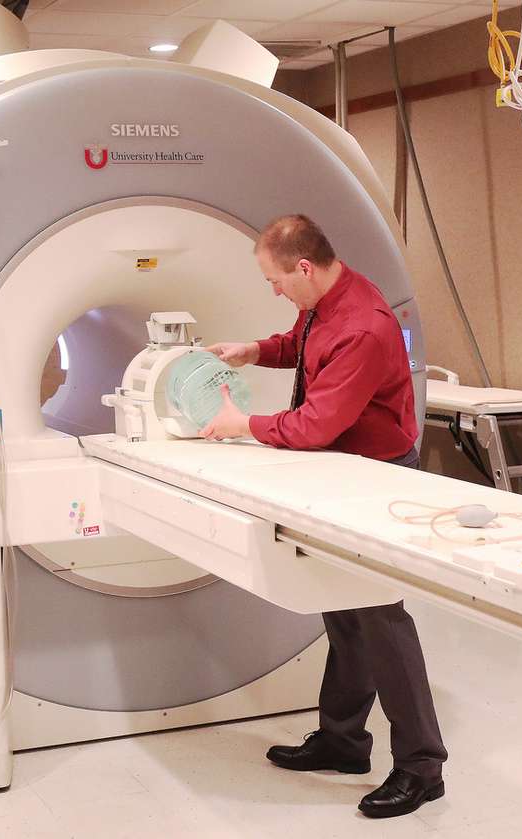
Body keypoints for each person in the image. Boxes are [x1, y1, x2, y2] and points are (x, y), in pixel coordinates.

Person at [201, 214, 447, 820]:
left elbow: (316, 425)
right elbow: (305, 348)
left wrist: (244, 425)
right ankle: (343, 742)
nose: (275, 291)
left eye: (275, 282)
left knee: (380, 617)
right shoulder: (326, 300)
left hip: (376, 477)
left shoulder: (365, 325)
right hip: (337, 472)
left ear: (303, 267)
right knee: (340, 609)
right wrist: (255, 351)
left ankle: (422, 766)